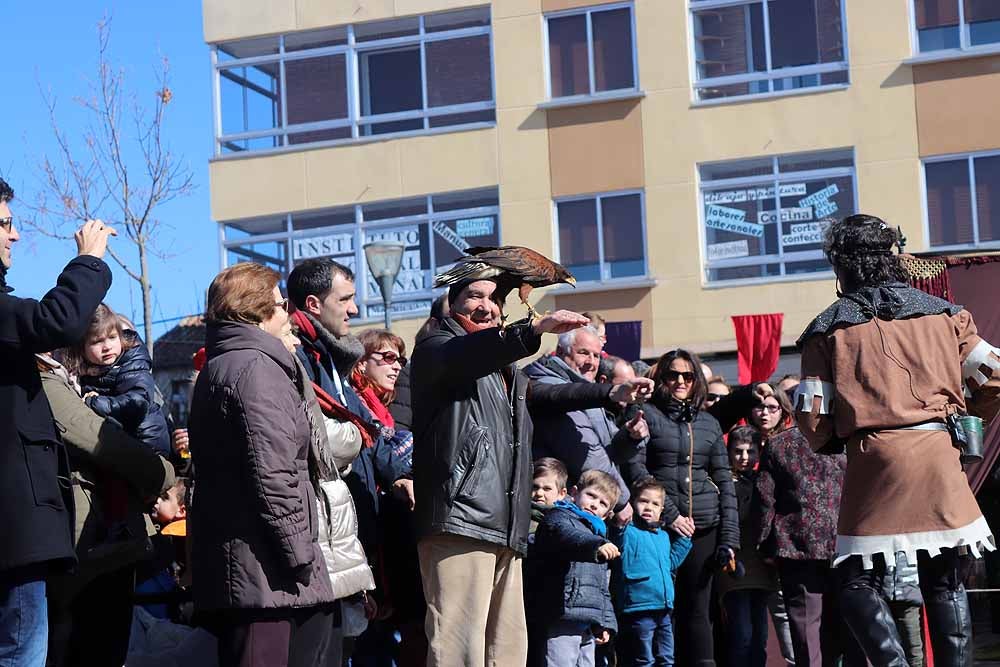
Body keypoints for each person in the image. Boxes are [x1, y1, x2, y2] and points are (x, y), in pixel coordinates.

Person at [794, 215, 1000, 667]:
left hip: (875, 460)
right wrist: (962, 422)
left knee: (853, 580)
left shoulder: (827, 329)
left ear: (841, 265)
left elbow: (812, 415)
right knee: (945, 580)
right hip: (939, 457)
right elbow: (995, 377)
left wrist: (833, 442)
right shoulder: (947, 316)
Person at [410, 271, 589, 667]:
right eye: (475, 296)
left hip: (506, 524)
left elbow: (558, 395)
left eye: (495, 301)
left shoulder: (508, 372)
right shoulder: (437, 347)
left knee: (506, 652)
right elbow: (469, 353)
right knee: (458, 650)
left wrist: (611, 393)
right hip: (461, 520)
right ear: (451, 304)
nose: (487, 306)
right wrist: (535, 328)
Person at [189, 262, 337, 667]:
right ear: (255, 312)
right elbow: (273, 474)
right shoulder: (254, 369)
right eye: (281, 304)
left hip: (258, 569)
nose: (289, 313)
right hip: (268, 575)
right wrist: (301, 556)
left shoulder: (227, 364)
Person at [0, 174, 116, 666]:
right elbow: (57, 321)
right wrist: (89, 260)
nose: (16, 234)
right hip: (12, 536)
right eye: (5, 223)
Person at [37, 350, 174, 666]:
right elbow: (98, 438)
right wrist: (161, 473)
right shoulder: (44, 379)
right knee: (92, 647)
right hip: (94, 544)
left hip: (98, 538)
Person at [620, 348, 739, 667]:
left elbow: (725, 481)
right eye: (673, 374)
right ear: (662, 378)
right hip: (658, 529)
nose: (680, 381)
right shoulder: (646, 414)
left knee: (699, 611)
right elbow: (637, 469)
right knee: (658, 610)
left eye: (688, 375)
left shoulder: (709, 423)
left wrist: (729, 537)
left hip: (705, 528)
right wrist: (671, 516)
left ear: (697, 380)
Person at [525, 327, 650, 521]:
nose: (591, 362)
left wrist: (630, 437)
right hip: (557, 512)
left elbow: (610, 450)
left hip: (581, 508)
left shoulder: (587, 389)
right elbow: (588, 456)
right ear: (560, 352)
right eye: (583, 353)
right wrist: (621, 501)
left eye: (596, 355)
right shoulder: (552, 385)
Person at [530, 469, 621, 667]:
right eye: (591, 495)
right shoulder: (559, 517)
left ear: (606, 515)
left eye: (603, 503)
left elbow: (602, 590)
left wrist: (604, 623)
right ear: (575, 492)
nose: (595, 504)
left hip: (587, 624)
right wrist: (595, 544)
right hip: (562, 615)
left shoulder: (599, 537)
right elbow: (567, 536)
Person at [64, 303, 171, 457]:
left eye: (112, 337)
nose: (107, 346)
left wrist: (93, 403)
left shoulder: (132, 361)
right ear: (82, 348)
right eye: (96, 341)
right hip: (112, 443)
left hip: (145, 443)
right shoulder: (82, 371)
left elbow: (138, 401)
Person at [611, 476, 692, 667]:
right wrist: (620, 524)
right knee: (644, 658)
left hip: (663, 608)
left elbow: (670, 563)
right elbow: (617, 538)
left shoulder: (663, 536)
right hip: (639, 607)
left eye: (655, 504)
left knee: (666, 657)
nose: (649, 507)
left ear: (662, 509)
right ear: (632, 503)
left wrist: (685, 540)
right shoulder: (628, 531)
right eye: (643, 501)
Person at [716, 427, 776, 667]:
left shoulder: (763, 480)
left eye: (750, 451)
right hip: (735, 565)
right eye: (738, 451)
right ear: (728, 452)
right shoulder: (723, 483)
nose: (744, 457)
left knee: (760, 634)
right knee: (742, 634)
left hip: (761, 565)